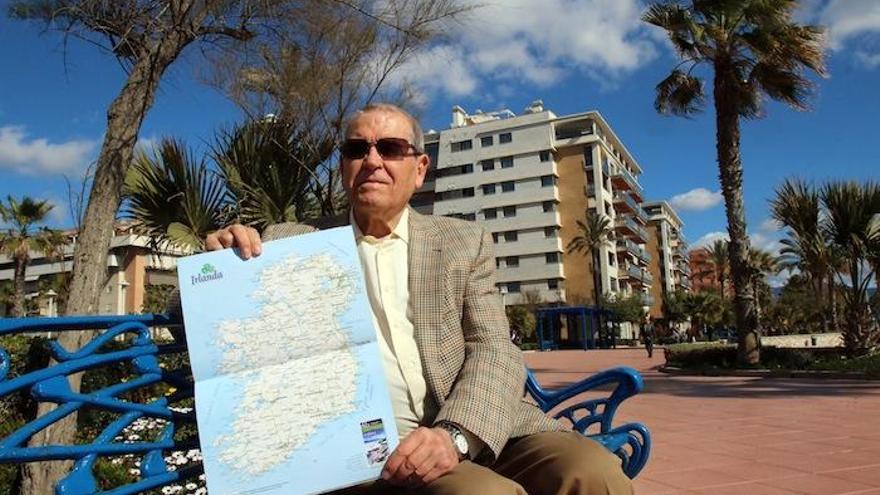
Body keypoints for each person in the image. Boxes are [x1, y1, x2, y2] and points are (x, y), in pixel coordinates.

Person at [203, 103, 633, 494]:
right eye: (357, 149)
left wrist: (455, 434)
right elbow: (201, 323)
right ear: (343, 167)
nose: (372, 160)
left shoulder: (462, 242)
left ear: (420, 168)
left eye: (390, 148)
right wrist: (218, 266)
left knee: (592, 470)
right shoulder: (289, 244)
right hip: (370, 446)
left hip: (477, 422)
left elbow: (495, 349)